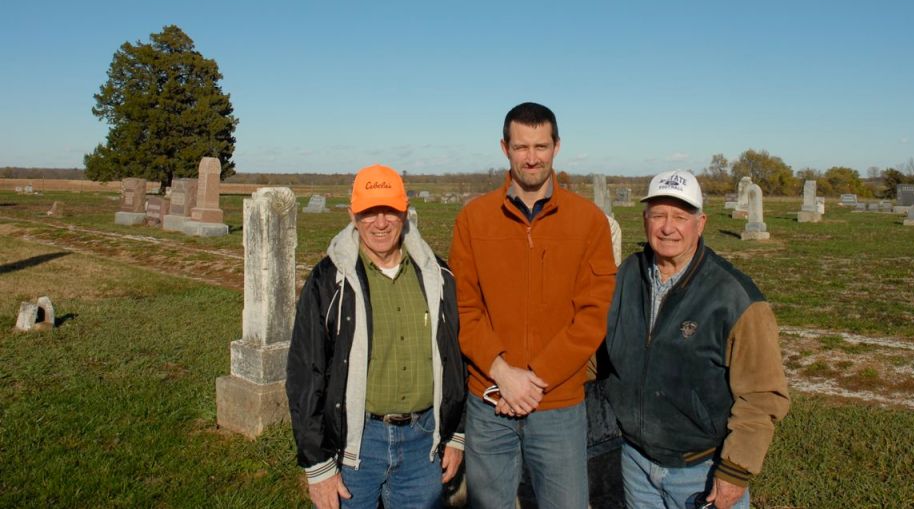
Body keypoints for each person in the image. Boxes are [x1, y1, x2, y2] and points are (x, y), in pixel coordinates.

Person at [449, 101, 617, 509]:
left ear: (557, 147)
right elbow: (465, 309)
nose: (531, 157)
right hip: (490, 400)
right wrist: (503, 374)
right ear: (504, 148)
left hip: (558, 404)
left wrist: (532, 380)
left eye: (540, 146)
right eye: (521, 147)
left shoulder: (588, 221)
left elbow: (592, 318)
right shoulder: (474, 219)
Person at [604, 170, 790, 509]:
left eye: (680, 216)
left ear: (700, 223)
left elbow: (762, 394)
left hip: (701, 468)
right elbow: (597, 351)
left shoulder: (735, 298)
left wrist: (735, 471)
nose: (667, 227)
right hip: (635, 459)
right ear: (645, 220)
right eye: (658, 214)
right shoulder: (624, 277)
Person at [286, 164, 466, 509]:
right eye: (369, 212)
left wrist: (457, 434)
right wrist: (318, 465)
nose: (380, 223)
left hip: (423, 446)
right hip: (356, 447)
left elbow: (459, 358)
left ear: (405, 212)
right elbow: (304, 373)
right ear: (353, 215)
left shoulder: (439, 276)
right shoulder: (329, 281)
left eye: (389, 211)